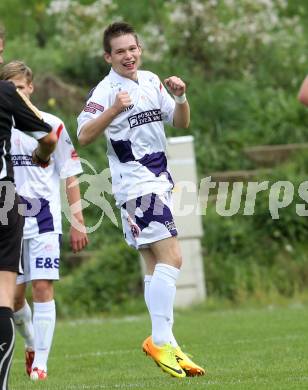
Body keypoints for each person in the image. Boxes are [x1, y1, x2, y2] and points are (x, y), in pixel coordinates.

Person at [77, 22, 205, 378]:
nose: (128, 56)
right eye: (120, 51)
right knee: (174, 256)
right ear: (108, 57)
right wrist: (114, 110)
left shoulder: (150, 80)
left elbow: (180, 122)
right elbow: (84, 135)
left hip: (158, 181)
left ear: (140, 50)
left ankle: (168, 341)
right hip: (136, 185)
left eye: (132, 49)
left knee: (154, 265)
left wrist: (180, 97)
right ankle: (161, 339)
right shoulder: (104, 91)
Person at [0, 60, 89, 381]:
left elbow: (70, 175)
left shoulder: (51, 124)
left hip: (45, 218)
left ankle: (41, 365)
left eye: (23, 88)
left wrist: (78, 221)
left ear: (31, 88)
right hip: (9, 218)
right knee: (12, 298)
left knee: (42, 289)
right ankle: (32, 342)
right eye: (13, 90)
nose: (19, 94)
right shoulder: (3, 125)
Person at [0, 27, 57, 390]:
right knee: (5, 296)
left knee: (36, 289)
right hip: (4, 198)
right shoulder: (5, 93)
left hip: (36, 210)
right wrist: (41, 155)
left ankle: (39, 357)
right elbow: (48, 139)